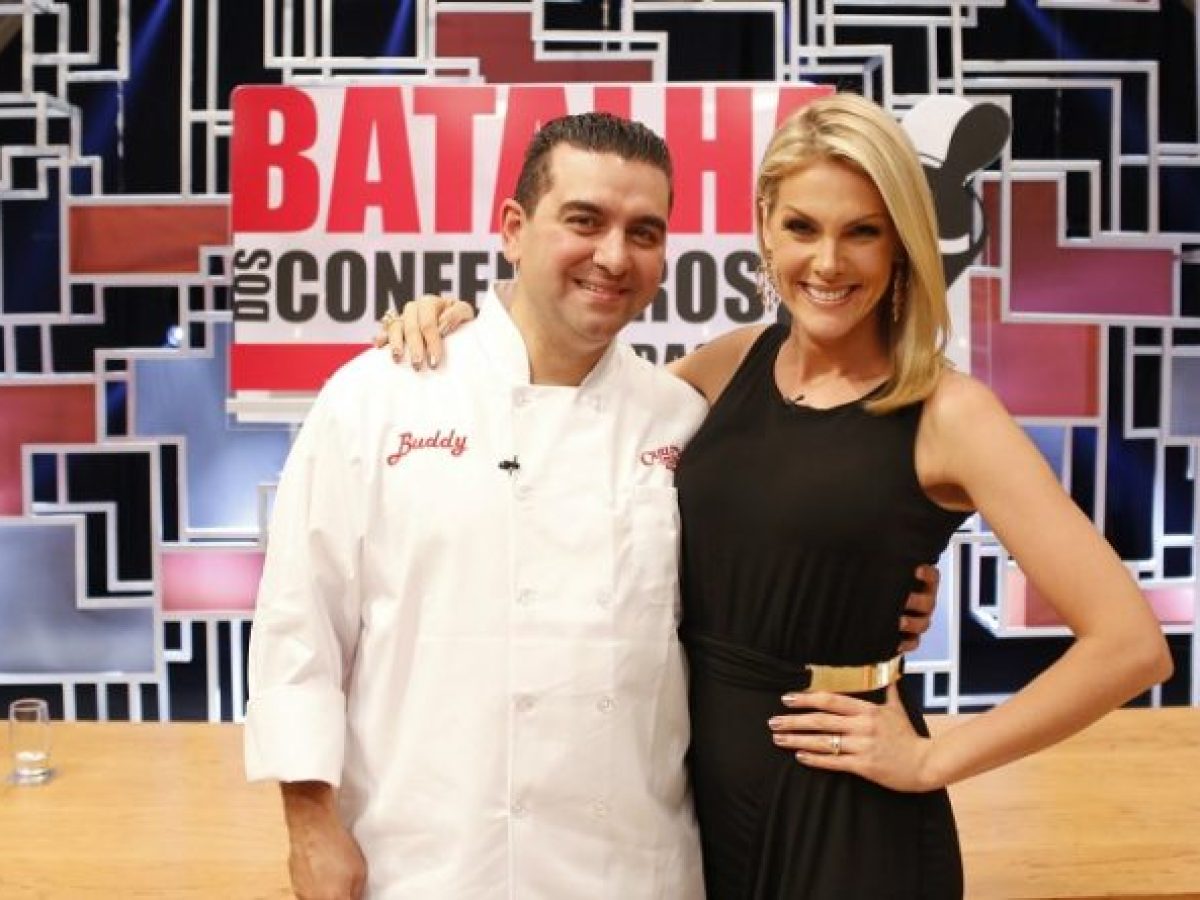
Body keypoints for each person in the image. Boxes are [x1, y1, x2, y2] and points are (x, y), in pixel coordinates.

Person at [380, 93, 1172, 899]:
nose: (828, 263)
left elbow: (1130, 645)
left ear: (902, 241)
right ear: (765, 226)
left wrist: (935, 758)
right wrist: (461, 328)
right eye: (802, 227)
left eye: (862, 231)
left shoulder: (950, 412)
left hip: (848, 815)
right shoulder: (729, 365)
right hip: (698, 807)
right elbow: (577, 416)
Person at [246, 108, 941, 900]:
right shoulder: (379, 396)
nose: (613, 256)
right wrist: (310, 823)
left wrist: (891, 586)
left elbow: (773, 556)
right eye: (584, 221)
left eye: (644, 233)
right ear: (513, 230)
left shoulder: (681, 419)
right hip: (424, 859)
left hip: (631, 866)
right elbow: (300, 625)